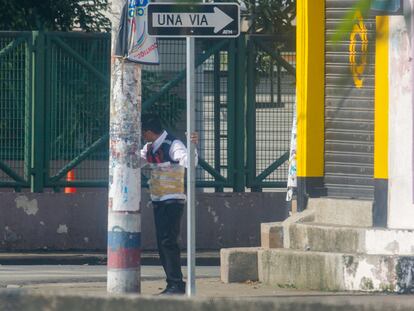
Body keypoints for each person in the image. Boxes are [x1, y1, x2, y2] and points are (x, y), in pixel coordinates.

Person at [140, 113, 198, 295]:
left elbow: (190, 162)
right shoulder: (149, 147)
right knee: (163, 242)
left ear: (149, 132)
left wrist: (193, 146)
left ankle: (176, 284)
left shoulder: (173, 144)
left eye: (143, 133)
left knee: (168, 242)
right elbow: (136, 161)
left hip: (172, 200)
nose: (142, 137)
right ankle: (173, 283)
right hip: (158, 199)